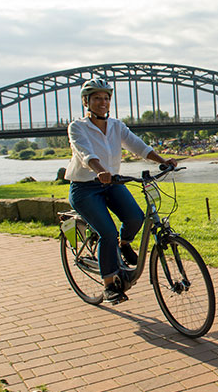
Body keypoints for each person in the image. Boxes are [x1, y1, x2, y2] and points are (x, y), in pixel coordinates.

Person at [65, 78, 177, 303]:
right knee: (107, 232)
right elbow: (85, 153)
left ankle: (123, 244)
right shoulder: (77, 127)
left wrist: (162, 161)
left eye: (106, 98)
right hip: (85, 188)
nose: (102, 102)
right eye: (97, 98)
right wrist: (99, 170)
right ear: (86, 102)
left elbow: (138, 146)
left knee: (136, 218)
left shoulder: (117, 126)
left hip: (112, 183)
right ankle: (109, 285)